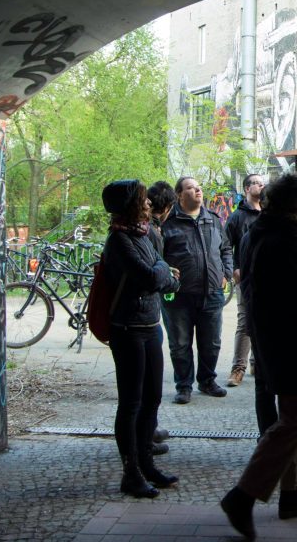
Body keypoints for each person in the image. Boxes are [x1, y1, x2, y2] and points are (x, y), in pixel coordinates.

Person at [220, 172, 297, 540]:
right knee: (292, 422)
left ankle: (293, 493)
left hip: (286, 341)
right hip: (291, 343)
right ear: (294, 203)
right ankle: (242, 496)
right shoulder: (283, 240)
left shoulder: (274, 233)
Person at [100, 179, 181, 499]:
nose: (148, 203)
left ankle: (146, 464)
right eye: (142, 199)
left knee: (152, 399)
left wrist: (161, 272)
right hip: (128, 330)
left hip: (151, 325)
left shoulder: (147, 233)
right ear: (129, 204)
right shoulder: (119, 241)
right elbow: (151, 276)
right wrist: (163, 270)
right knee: (131, 403)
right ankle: (130, 471)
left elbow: (166, 281)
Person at [160, 176, 233, 404]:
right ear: (180, 194)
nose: (198, 190)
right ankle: (184, 386)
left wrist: (226, 273)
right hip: (179, 296)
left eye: (198, 186)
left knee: (211, 342)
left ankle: (207, 380)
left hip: (211, 293)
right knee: (180, 344)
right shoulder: (168, 223)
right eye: (191, 187)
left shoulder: (212, 219)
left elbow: (226, 248)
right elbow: (158, 256)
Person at [224, 173, 265, 388]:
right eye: (257, 182)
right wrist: (234, 269)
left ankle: (257, 364)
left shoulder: (269, 213)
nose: (261, 185)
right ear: (247, 188)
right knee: (245, 321)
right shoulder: (237, 216)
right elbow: (225, 246)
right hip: (245, 276)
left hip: (267, 277)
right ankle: (237, 368)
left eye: (262, 182)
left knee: (263, 320)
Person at [146, 180, 178, 453]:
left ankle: (148, 429)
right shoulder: (151, 232)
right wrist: (170, 277)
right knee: (147, 382)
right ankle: (145, 435)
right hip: (143, 316)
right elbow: (152, 274)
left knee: (146, 381)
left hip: (145, 313)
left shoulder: (141, 230)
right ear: (167, 207)